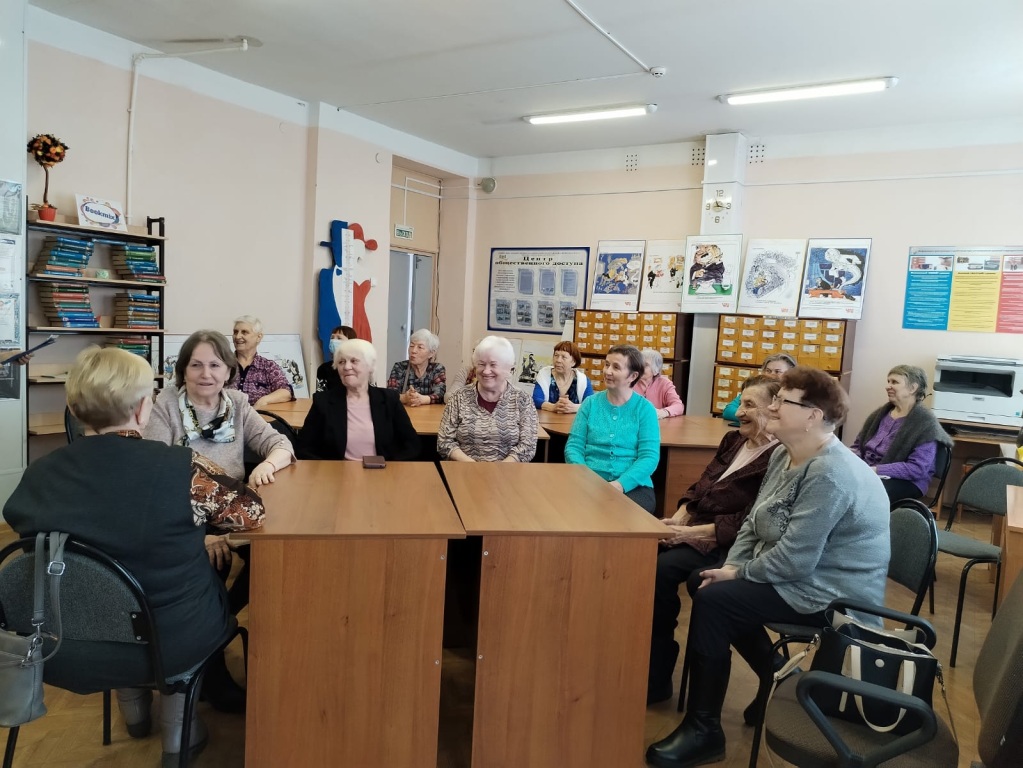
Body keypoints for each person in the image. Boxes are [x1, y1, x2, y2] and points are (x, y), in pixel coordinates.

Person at [3, 347, 265, 765]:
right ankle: (179, 734)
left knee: (105, 592)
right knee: (189, 591)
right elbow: (250, 513)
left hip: (61, 643)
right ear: (144, 408)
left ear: (74, 408)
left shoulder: (37, 475)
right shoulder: (182, 469)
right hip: (170, 642)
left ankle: (134, 711)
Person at [645, 366, 890, 768]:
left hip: (831, 594)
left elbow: (796, 559)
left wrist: (737, 575)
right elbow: (753, 525)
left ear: (813, 415)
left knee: (715, 601)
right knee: (704, 582)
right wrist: (733, 565)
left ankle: (704, 730)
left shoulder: (831, 472)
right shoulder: (783, 454)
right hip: (800, 577)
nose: (772, 406)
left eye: (782, 400)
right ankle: (778, 675)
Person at [647, 375, 780, 705]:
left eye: (750, 405)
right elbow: (700, 486)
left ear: (773, 410)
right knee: (643, 554)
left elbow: (747, 520)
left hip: (727, 541)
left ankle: (657, 677)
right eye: (741, 402)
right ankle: (648, 663)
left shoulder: (777, 457)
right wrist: (679, 516)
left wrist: (686, 533)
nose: (739, 412)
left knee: (663, 570)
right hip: (697, 527)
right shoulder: (733, 440)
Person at [146, 329, 295, 483]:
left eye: (214, 365)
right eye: (196, 365)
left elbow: (281, 444)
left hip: (232, 494)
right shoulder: (165, 404)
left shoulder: (237, 404)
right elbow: (153, 465)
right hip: (179, 493)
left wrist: (267, 466)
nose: (206, 374)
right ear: (184, 372)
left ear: (228, 372)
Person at [565, 344, 660, 513]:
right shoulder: (590, 403)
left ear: (633, 376)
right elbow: (574, 447)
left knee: (620, 514)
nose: (607, 371)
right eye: (607, 364)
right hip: (587, 481)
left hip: (633, 485)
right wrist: (585, 478)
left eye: (616, 367)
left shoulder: (645, 409)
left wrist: (620, 484)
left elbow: (649, 457)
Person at [297, 338, 420, 461]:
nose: (346, 367)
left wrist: (391, 468)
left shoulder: (389, 399)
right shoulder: (323, 401)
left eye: (354, 361)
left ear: (370, 366)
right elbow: (304, 448)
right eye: (341, 362)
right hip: (337, 471)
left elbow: (413, 445)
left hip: (382, 470)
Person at [852, 364, 953, 502]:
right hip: (869, 471)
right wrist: (849, 460)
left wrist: (875, 470)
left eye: (894, 382)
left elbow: (917, 468)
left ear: (913, 388)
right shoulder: (878, 415)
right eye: (888, 381)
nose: (888, 386)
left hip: (908, 481)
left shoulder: (925, 423)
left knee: (865, 492)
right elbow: (858, 446)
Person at [437, 335, 538, 462]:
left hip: (509, 471)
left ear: (508, 368)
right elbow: (444, 441)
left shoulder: (523, 400)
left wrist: (499, 469)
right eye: (481, 364)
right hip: (465, 469)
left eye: (493, 365)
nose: (486, 371)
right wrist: (474, 467)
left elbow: (527, 446)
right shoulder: (459, 397)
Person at [231, 315, 294, 408]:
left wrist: (264, 400)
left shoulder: (268, 366)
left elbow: (286, 392)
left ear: (258, 337)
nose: (237, 336)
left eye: (244, 332)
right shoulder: (223, 364)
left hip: (257, 415)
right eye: (235, 332)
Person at [721, 353, 796, 424]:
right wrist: (755, 417)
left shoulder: (795, 395)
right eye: (768, 371)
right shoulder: (755, 390)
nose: (771, 375)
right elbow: (728, 411)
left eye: (777, 371)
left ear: (791, 374)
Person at [387, 328, 446, 406]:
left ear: (431, 353)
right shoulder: (400, 367)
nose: (413, 351)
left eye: (420, 347)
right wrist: (405, 398)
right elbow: (390, 395)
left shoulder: (437, 369)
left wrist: (421, 399)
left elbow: (440, 395)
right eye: (411, 346)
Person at [531, 340, 593, 413]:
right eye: (556, 355)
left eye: (563, 357)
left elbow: (591, 404)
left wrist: (574, 408)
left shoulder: (583, 380)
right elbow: (536, 400)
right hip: (547, 419)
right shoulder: (544, 374)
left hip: (574, 420)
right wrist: (553, 407)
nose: (558, 360)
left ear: (573, 362)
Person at [635, 348, 685, 419]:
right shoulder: (629, 382)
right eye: (639, 363)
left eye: (645, 365)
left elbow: (679, 406)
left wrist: (664, 412)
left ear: (656, 370)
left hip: (656, 423)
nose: (640, 367)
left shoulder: (664, 383)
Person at [315, 324, 357, 392]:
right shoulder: (324, 368)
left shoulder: (359, 366)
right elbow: (320, 395)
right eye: (332, 338)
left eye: (339, 338)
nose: (333, 341)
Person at [445, 339, 480, 404]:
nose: (473, 356)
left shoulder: (494, 376)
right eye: (474, 351)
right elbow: (448, 396)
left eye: (479, 353)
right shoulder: (466, 371)